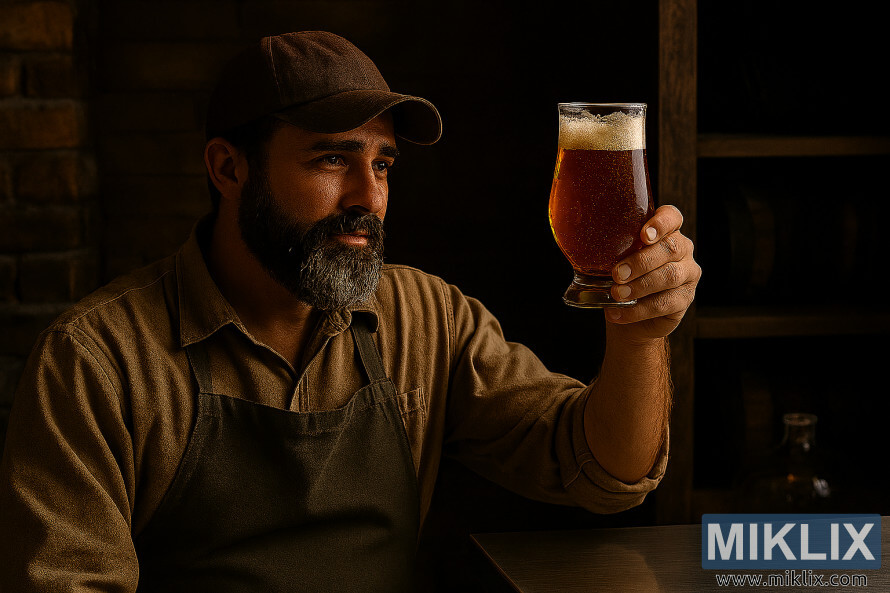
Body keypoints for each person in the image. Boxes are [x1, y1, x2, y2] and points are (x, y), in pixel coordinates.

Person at [0, 31, 701, 592]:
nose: (367, 196)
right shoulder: (97, 360)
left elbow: (603, 473)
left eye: (384, 165)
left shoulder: (424, 317)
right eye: (333, 159)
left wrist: (639, 332)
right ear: (227, 167)